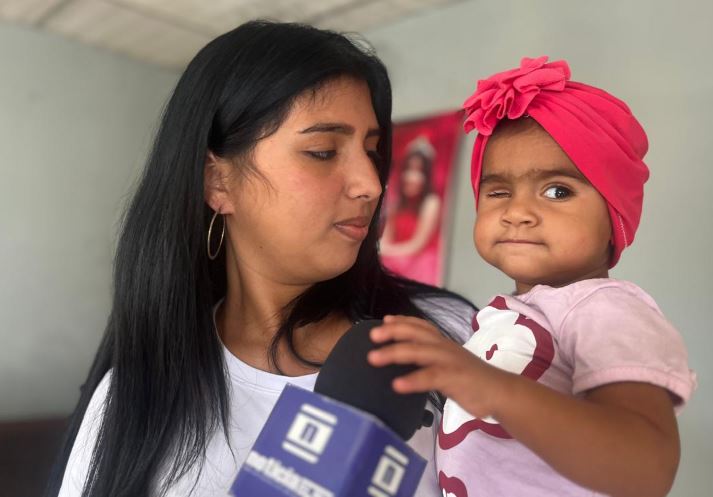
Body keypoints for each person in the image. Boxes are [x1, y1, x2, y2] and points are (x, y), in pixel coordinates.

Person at [46, 21, 475, 497]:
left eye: (372, 152)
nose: (371, 184)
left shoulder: (449, 335)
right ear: (218, 183)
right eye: (322, 151)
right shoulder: (132, 396)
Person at [368, 56, 696, 496]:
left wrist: (493, 389)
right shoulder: (506, 316)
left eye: (557, 191)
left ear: (614, 216)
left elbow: (647, 469)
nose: (517, 212)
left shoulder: (606, 310)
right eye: (498, 191)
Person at [380, 136, 443, 285]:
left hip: (419, 259)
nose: (412, 177)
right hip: (395, 253)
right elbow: (386, 237)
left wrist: (387, 252)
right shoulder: (397, 201)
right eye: (409, 169)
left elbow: (417, 244)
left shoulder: (431, 202)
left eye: (419, 171)